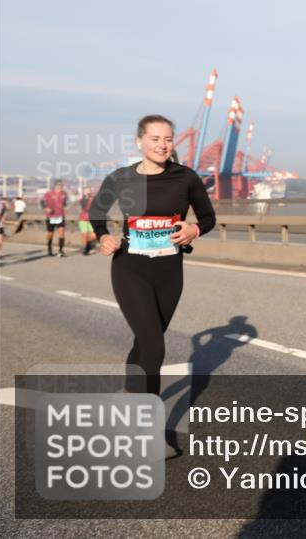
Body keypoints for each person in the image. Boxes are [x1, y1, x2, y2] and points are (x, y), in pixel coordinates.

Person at [89, 114, 216, 400]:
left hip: (170, 272)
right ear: (139, 142)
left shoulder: (186, 177)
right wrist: (103, 236)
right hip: (129, 269)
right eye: (155, 139)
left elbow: (208, 217)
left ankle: (131, 393)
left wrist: (194, 229)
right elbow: (96, 212)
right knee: (154, 346)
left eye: (168, 139)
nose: (162, 145)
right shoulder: (121, 178)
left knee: (146, 341)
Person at [41, 180, 68, 257]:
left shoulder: (64, 194)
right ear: (55, 186)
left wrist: (62, 208)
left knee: (61, 232)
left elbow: (65, 203)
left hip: (60, 216)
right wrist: (46, 208)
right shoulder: (48, 193)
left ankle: (60, 250)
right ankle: (49, 248)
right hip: (51, 216)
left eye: (61, 185)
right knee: (50, 234)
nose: (60, 187)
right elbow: (42, 202)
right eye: (58, 185)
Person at [77, 187, 98, 255]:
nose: (88, 192)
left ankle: (88, 247)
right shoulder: (82, 199)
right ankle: (85, 249)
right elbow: (85, 206)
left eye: (89, 191)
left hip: (91, 219)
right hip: (83, 219)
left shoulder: (94, 199)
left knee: (93, 235)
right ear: (83, 192)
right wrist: (86, 197)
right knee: (84, 235)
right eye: (86, 191)